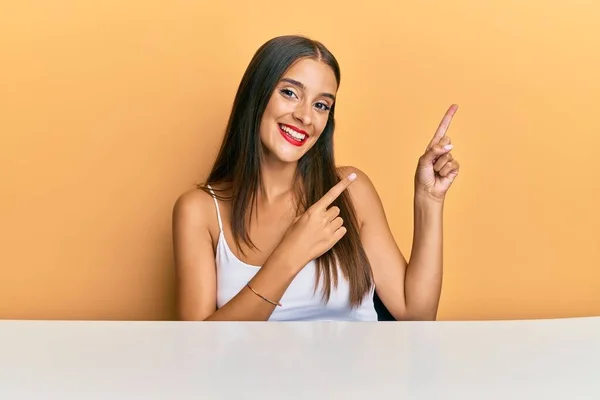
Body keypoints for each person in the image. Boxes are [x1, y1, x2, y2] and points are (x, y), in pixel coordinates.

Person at [172, 35, 460, 321]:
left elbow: (417, 315)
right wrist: (291, 254)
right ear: (255, 95)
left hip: (356, 367)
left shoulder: (349, 190)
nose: (305, 117)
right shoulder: (199, 211)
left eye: (321, 105)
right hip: (253, 369)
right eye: (290, 93)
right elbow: (200, 347)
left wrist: (429, 199)